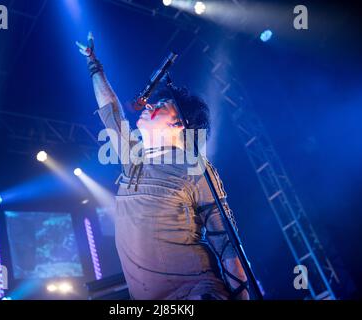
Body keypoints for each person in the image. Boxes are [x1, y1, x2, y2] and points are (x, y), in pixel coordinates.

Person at [77, 32, 249, 300]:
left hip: (195, 294)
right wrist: (93, 65)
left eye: (162, 105)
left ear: (179, 123)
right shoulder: (133, 157)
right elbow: (111, 112)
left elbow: (225, 241)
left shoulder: (194, 167)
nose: (150, 106)